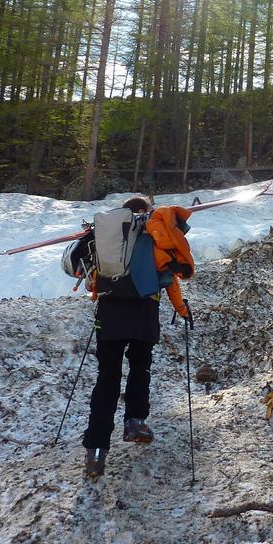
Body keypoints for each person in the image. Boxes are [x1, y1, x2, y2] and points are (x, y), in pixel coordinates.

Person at [83, 195, 159, 478]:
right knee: (140, 366)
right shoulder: (153, 229)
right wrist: (180, 307)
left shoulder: (105, 234)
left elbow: (89, 276)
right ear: (145, 211)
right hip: (143, 309)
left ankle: (95, 453)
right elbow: (169, 274)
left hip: (110, 310)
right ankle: (135, 423)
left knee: (107, 376)